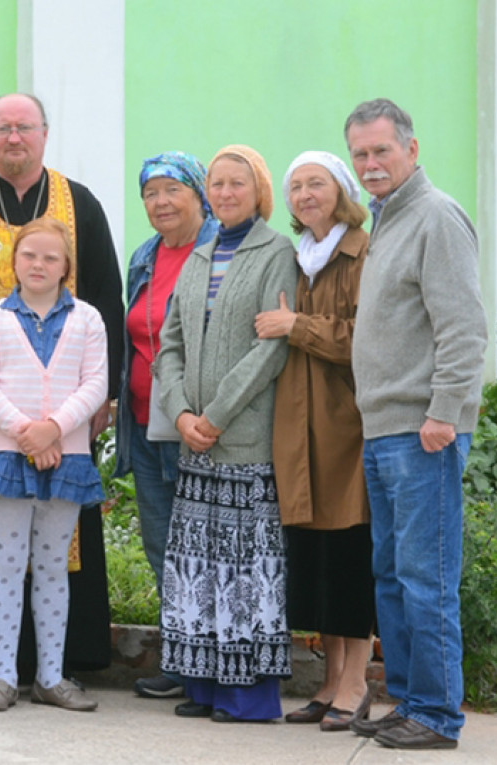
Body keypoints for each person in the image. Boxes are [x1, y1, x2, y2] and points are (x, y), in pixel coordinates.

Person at [0, 93, 124, 692]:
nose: (14, 138)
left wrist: (105, 398)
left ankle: (61, 665)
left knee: (56, 554)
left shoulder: (80, 204)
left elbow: (108, 299)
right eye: (2, 129)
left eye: (25, 128)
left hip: (66, 417)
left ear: (44, 133)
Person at [345, 98, 486, 750]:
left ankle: (435, 713)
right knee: (393, 576)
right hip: (385, 432)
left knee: (425, 578)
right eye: (361, 154)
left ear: (412, 148)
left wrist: (443, 413)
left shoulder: (435, 217)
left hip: (422, 432)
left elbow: (462, 327)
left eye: (381, 151)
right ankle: (408, 701)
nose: (371, 164)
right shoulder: (388, 222)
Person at [154, 144, 297, 723]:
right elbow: (170, 344)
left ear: (258, 190)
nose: (225, 193)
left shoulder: (276, 252)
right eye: (216, 183)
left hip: (243, 440)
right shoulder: (200, 253)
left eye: (237, 183)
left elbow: (273, 347)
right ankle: (205, 687)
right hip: (197, 442)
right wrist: (183, 412)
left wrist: (215, 415)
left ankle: (246, 696)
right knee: (200, 569)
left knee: (242, 570)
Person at [0, 219, 107, 713]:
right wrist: (27, 432)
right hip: (8, 456)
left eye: (51, 257)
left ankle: (50, 676)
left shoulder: (88, 319)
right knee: (6, 562)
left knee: (51, 566)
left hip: (66, 456)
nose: (39, 265)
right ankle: (3, 676)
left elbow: (94, 384)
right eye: (30, 256)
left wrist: (54, 428)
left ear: (66, 266)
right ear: (15, 262)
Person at [256, 151, 374, 732]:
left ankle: (356, 683)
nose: (304, 194)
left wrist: (294, 326)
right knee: (318, 558)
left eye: (316, 184)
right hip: (299, 430)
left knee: (350, 555)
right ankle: (329, 682)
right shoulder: (297, 259)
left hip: (345, 427)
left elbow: (367, 336)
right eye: (296, 186)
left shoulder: (361, 252)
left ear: (341, 191)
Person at [116, 152, 218, 701]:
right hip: (144, 423)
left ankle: (209, 661)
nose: (160, 203)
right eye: (150, 193)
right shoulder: (145, 257)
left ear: (198, 195)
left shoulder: (219, 252)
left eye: (171, 190)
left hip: (199, 425)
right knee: (163, 547)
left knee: (201, 544)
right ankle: (181, 659)